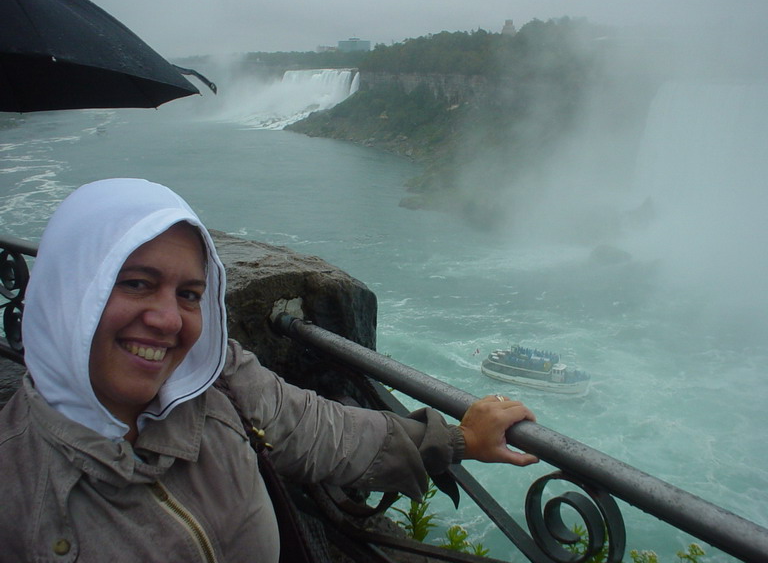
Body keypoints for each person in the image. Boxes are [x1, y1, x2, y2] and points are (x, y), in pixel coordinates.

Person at [0, 178, 538, 562]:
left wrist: (460, 440)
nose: (168, 319)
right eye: (137, 283)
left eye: (190, 294)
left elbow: (323, 432)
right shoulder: (15, 487)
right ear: (69, 292)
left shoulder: (218, 382)